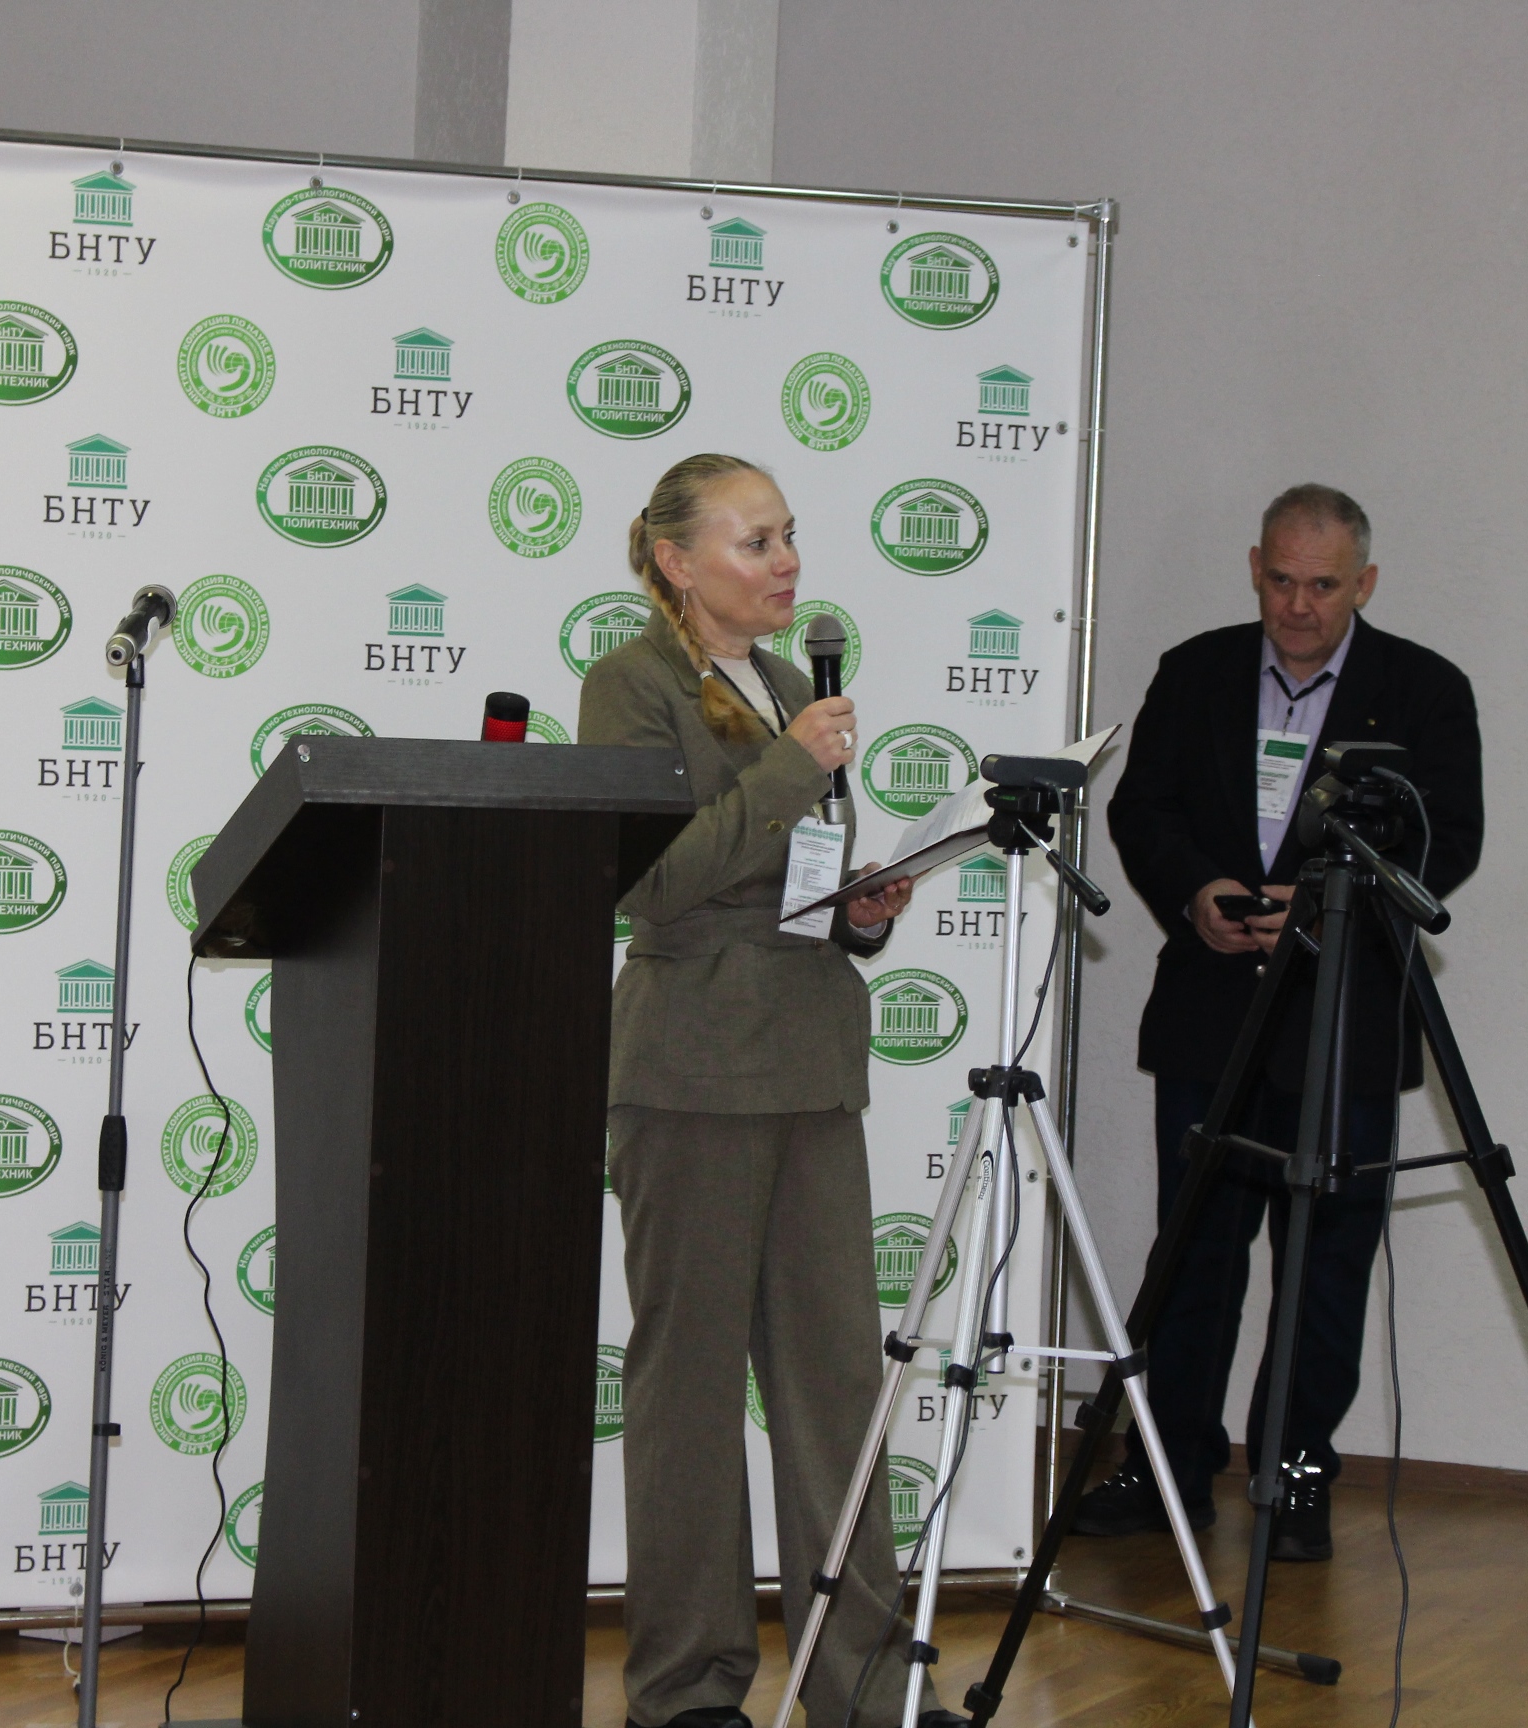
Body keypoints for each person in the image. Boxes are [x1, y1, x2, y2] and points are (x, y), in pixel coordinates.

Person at [579, 453, 958, 1728]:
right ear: (677, 562)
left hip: (808, 1061)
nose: (788, 562)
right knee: (687, 1391)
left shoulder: (796, 688)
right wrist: (795, 767)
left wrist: (863, 912)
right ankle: (687, 1689)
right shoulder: (631, 684)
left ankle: (861, 1689)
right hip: (692, 1068)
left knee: (837, 1387)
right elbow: (650, 886)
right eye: (756, 542)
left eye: (790, 535)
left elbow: (791, 883)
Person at [1081, 484, 1483, 1561]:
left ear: (1365, 584)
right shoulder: (1196, 670)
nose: (1299, 606)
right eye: (1282, 581)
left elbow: (1450, 841)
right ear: (1255, 568)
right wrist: (1197, 892)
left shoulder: (1425, 691)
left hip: (1343, 1017)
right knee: (1194, 1254)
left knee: (1326, 1266)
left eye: (1324, 585)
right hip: (1211, 1009)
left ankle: (1295, 1475)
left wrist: (1323, 903)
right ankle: (1166, 1469)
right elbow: (1140, 807)